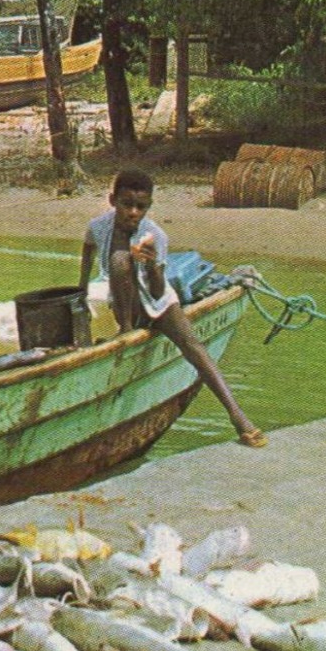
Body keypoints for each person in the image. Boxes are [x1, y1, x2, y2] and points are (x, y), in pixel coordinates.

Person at [80, 168, 266, 448]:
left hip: (157, 301)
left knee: (193, 346)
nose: (132, 212)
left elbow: (157, 291)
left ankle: (238, 417)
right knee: (119, 262)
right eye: (126, 204)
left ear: (149, 207)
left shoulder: (156, 236)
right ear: (112, 201)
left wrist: (151, 264)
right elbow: (87, 252)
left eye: (140, 207)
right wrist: (80, 295)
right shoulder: (98, 227)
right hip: (125, 304)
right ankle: (127, 330)